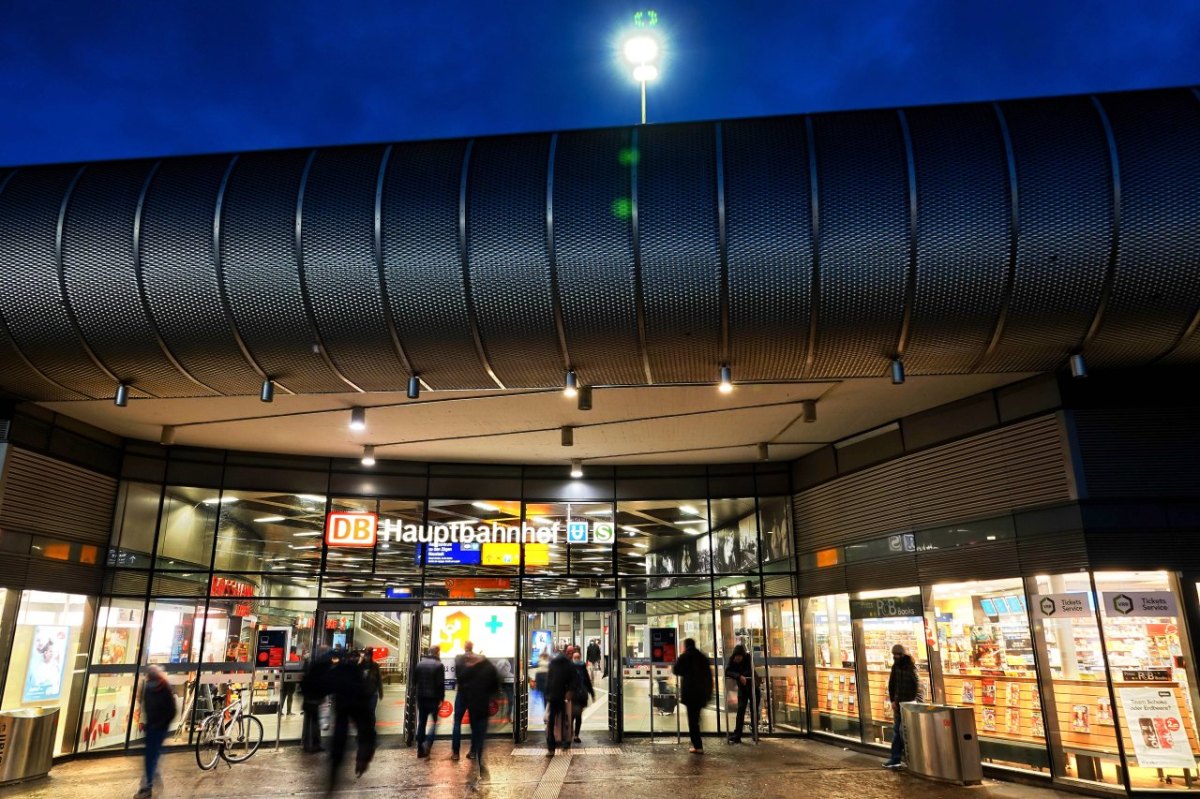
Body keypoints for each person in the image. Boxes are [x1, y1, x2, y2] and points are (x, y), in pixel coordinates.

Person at [326, 649, 376, 788]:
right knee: (364, 731)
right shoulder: (357, 672)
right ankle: (360, 760)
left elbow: (325, 684)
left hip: (343, 707)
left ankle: (334, 772)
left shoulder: (338, 670)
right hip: (357, 706)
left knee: (340, 735)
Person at [457, 651, 500, 782]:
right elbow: (496, 685)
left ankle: (476, 752)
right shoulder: (489, 668)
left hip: (474, 706)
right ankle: (477, 753)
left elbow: (461, 679)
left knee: (476, 731)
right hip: (483, 707)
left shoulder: (472, 669)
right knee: (479, 732)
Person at [136, 664, 177, 798]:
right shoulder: (162, 687)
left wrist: (154, 723)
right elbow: (171, 710)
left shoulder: (149, 687)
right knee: (152, 754)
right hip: (156, 727)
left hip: (154, 727)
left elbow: (147, 706)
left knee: (150, 756)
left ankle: (147, 786)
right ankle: (150, 777)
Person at [883, 644, 921, 768]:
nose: (895, 657)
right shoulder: (896, 667)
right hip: (899, 705)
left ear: (902, 654)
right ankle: (896, 758)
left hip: (908, 705)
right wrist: (893, 700)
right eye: (894, 654)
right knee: (898, 732)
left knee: (903, 732)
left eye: (897, 654)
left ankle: (909, 758)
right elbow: (892, 684)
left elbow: (916, 687)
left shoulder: (910, 668)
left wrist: (912, 701)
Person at [673, 637, 713, 753]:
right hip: (701, 693)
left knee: (693, 721)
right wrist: (709, 692)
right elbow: (709, 676)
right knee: (696, 718)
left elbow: (676, 670)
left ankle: (698, 746)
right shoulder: (702, 657)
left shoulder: (685, 656)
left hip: (690, 694)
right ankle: (698, 743)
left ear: (685, 646)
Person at [413, 645, 445, 758]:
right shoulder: (439, 665)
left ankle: (420, 748)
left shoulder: (420, 664)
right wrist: (442, 699)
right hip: (433, 699)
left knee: (422, 722)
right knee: (435, 722)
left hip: (421, 698)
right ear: (437, 653)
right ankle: (428, 743)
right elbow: (440, 685)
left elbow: (414, 681)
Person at [544, 648, 577, 755]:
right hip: (563, 696)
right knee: (566, 720)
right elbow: (574, 680)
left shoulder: (553, 663)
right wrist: (570, 691)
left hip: (553, 696)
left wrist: (547, 695)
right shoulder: (569, 665)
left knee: (551, 721)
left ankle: (551, 747)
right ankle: (565, 742)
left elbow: (548, 680)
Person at [299, 647, 331, 753]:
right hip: (313, 699)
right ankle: (311, 745)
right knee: (313, 723)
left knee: (314, 723)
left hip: (311, 699)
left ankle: (313, 744)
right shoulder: (316, 667)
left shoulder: (312, 666)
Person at [450, 640, 474, 760]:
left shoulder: (458, 658)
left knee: (457, 723)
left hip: (461, 693)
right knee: (474, 724)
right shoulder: (477, 659)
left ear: (464, 648)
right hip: (473, 694)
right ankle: (473, 751)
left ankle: (455, 753)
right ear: (472, 647)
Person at [725, 644, 754, 743]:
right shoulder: (732, 659)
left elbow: (750, 670)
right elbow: (727, 671)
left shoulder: (748, 658)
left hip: (753, 687)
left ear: (743, 655)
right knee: (741, 711)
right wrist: (738, 676)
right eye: (736, 656)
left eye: (739, 656)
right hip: (742, 688)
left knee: (754, 711)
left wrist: (742, 675)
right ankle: (737, 735)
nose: (737, 658)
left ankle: (754, 733)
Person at [570, 648, 595, 744]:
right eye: (576, 657)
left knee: (571, 716)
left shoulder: (570, 668)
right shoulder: (582, 667)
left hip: (573, 696)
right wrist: (592, 694)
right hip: (581, 696)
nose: (576, 659)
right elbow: (588, 682)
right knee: (578, 716)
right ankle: (576, 735)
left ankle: (572, 734)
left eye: (577, 657)